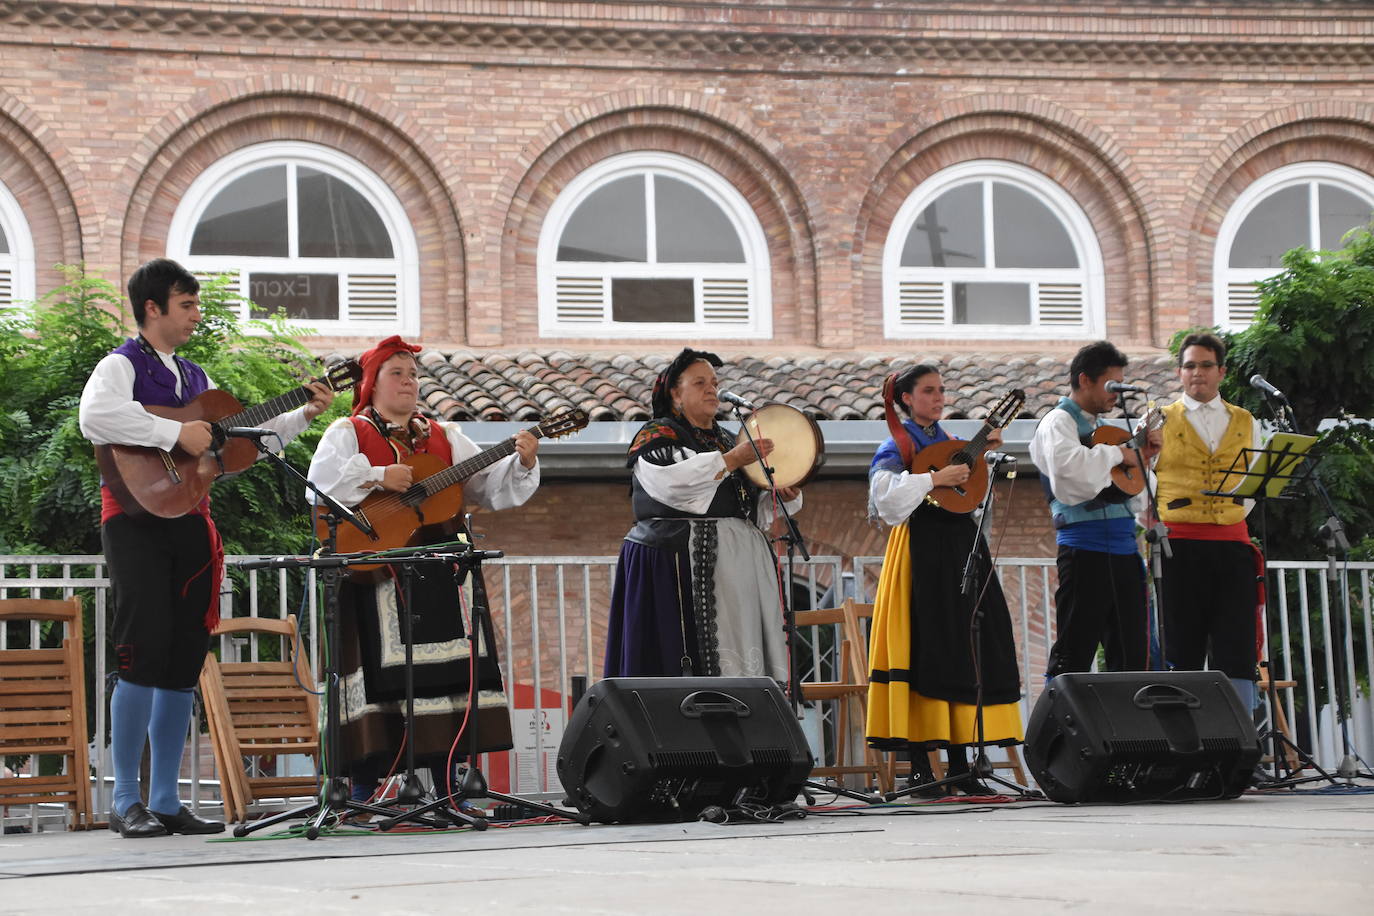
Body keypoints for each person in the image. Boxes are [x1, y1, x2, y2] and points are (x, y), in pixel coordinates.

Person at [80, 258, 335, 838]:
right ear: (153, 308)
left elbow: (240, 444)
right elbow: (94, 417)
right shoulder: (120, 365)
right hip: (135, 522)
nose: (196, 314)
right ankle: (125, 800)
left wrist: (301, 413)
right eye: (187, 304)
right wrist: (174, 433)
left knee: (181, 661)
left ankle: (166, 799)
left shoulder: (196, 379)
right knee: (139, 652)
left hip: (191, 524)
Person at [306, 335, 537, 809]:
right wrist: (376, 476)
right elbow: (319, 489)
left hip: (435, 570)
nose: (409, 381)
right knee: (374, 678)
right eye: (398, 372)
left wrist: (523, 459)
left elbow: (487, 489)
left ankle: (449, 786)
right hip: (373, 570)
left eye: (413, 373)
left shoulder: (444, 435)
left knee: (445, 676)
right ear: (371, 383)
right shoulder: (348, 432)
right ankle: (364, 789)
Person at [864, 365, 1023, 795]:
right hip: (921, 547)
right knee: (926, 646)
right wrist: (933, 478)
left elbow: (968, 494)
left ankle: (962, 763)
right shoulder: (898, 444)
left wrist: (981, 457)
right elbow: (885, 499)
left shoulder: (951, 442)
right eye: (928, 391)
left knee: (966, 645)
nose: (938, 398)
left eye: (941, 390)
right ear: (905, 399)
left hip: (961, 544)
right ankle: (919, 768)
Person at [603, 347, 802, 681]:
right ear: (675, 395)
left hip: (737, 567)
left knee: (740, 658)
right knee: (681, 659)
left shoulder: (728, 439)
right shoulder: (656, 437)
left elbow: (741, 504)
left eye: (714, 382)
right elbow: (672, 486)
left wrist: (777, 494)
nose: (712, 389)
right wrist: (732, 460)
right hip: (675, 564)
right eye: (699, 383)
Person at [1028, 340, 1160, 680]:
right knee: (1074, 654)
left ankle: (1126, 731)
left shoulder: (1109, 433)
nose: (1116, 393)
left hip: (1126, 551)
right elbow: (1071, 477)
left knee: (1133, 656)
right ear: (1085, 380)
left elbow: (1139, 497)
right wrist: (1120, 455)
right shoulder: (1057, 422)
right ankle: (1055, 733)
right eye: (1110, 384)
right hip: (1083, 551)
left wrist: (1145, 456)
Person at [1150, 332, 1263, 709]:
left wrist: (1229, 516)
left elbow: (1256, 480)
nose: (1197, 372)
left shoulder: (1246, 420)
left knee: (1238, 646)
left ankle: (1240, 752)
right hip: (1177, 545)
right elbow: (1140, 482)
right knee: (1181, 648)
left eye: (1205, 365)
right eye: (1190, 365)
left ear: (1222, 372)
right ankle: (1185, 751)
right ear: (1180, 373)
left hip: (1232, 546)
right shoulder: (1158, 418)